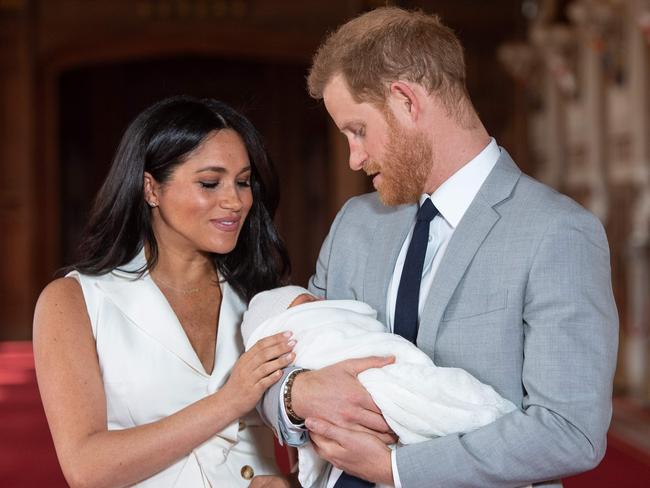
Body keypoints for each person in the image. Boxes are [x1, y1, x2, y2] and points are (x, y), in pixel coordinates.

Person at [260, 7, 619, 488]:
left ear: (406, 101)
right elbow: (284, 352)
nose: (354, 157)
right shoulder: (355, 223)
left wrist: (395, 470)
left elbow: (570, 432)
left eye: (358, 130)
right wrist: (297, 394)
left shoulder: (557, 232)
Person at [33, 96, 297, 487]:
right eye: (210, 183)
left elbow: (316, 453)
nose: (235, 201)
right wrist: (229, 400)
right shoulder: (74, 301)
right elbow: (86, 468)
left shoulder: (267, 299)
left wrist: (289, 484)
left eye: (243, 182)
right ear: (151, 188)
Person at [243, 286, 518, 488]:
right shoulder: (349, 225)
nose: (322, 301)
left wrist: (393, 469)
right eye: (312, 302)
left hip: (470, 461)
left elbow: (558, 426)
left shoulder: (549, 226)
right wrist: (297, 391)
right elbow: (266, 378)